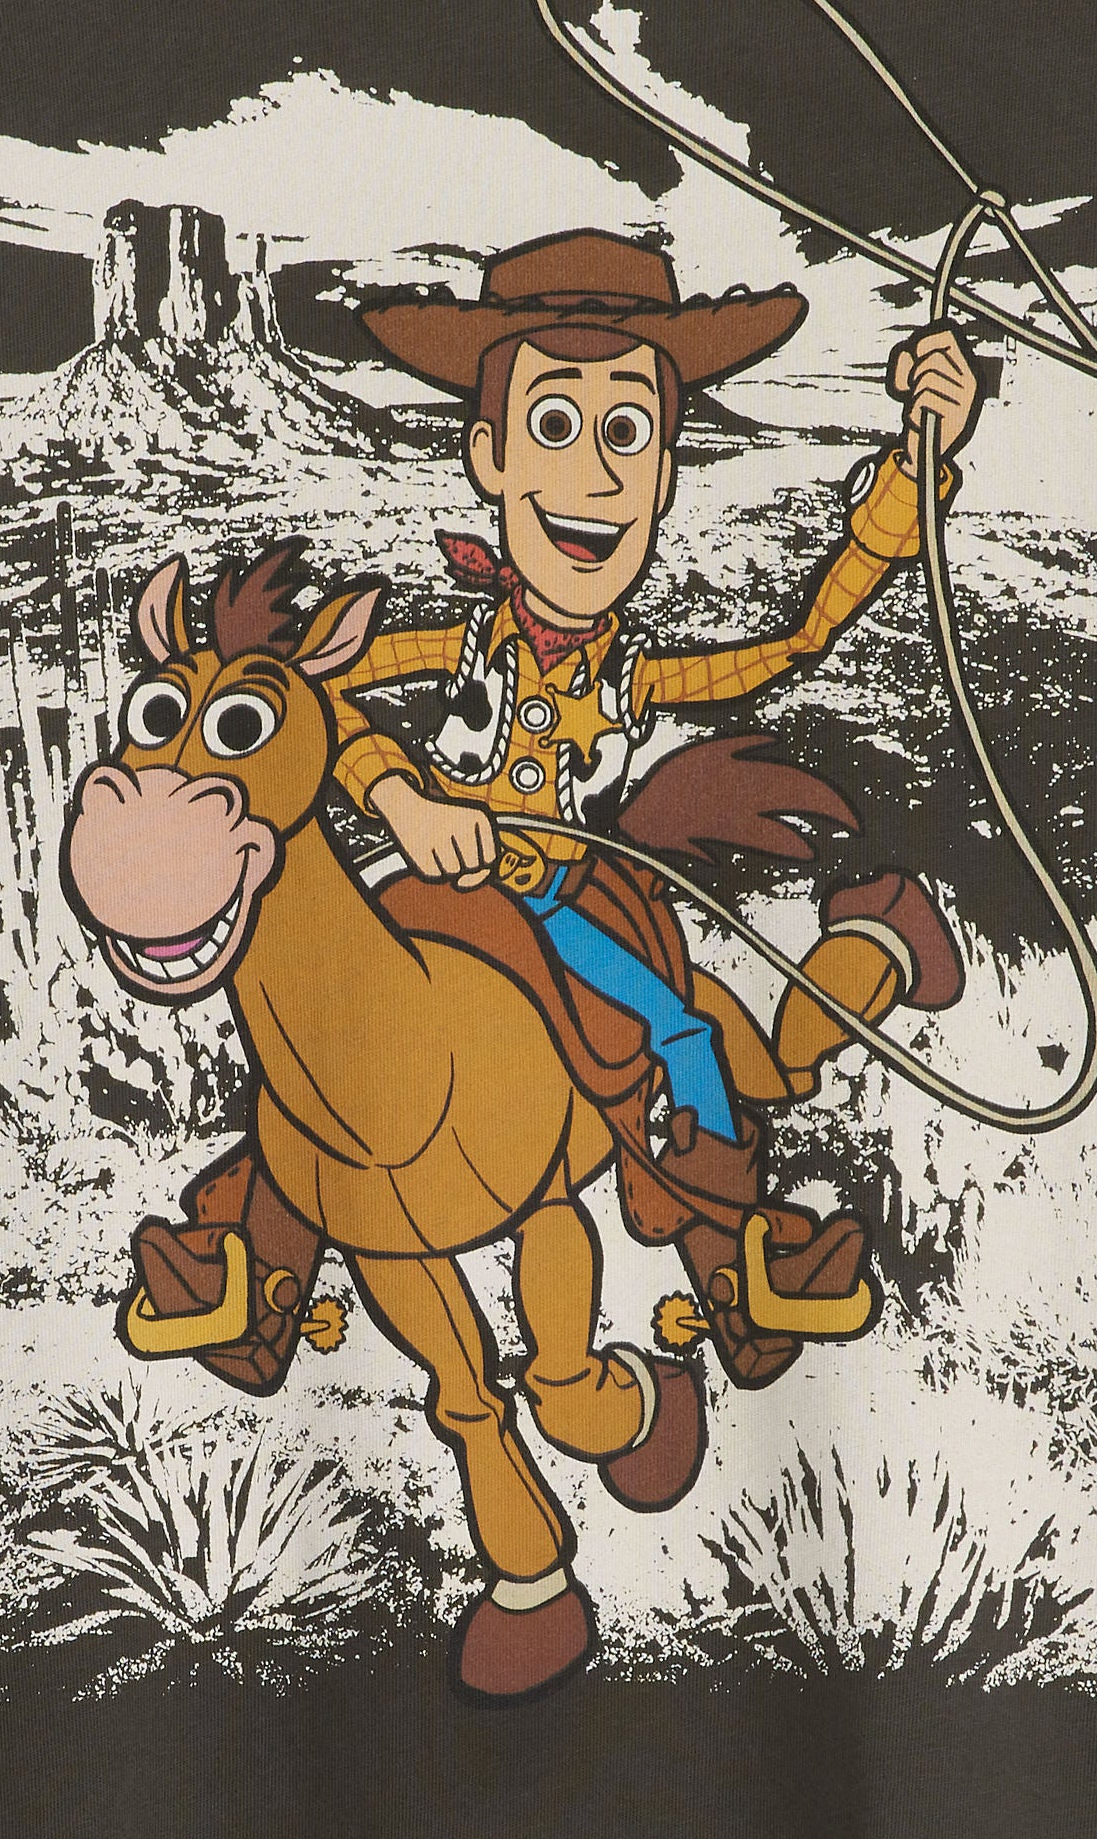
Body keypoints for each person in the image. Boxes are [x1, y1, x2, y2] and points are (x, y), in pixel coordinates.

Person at [337, 227, 981, 1387]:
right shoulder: (449, 644)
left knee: (682, 1035)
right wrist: (396, 793)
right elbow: (307, 697)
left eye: (626, 435)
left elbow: (794, 641)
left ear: (664, 473)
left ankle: (744, 1256)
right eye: (553, 425)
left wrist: (914, 460)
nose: (592, 478)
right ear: (488, 456)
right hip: (426, 887)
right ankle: (241, 1263)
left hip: (557, 899)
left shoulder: (633, 674)